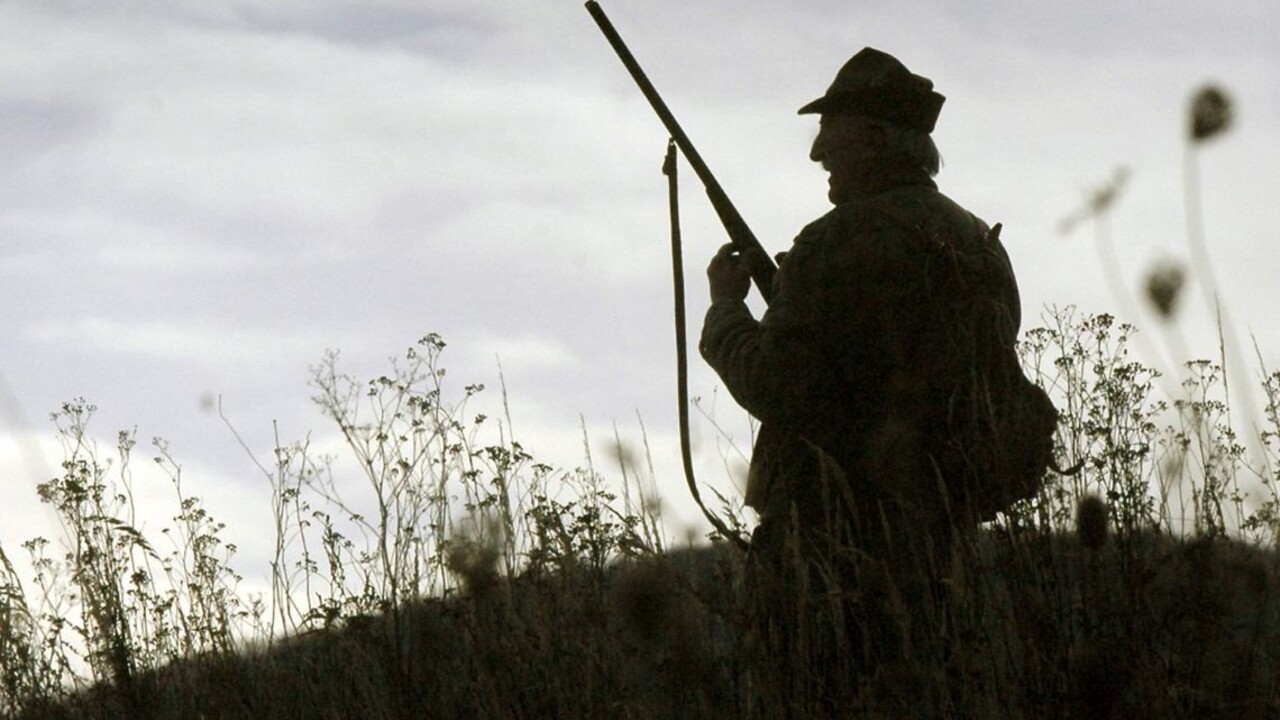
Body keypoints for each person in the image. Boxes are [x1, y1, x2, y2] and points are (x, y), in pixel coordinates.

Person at [699, 47, 1042, 714]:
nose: (817, 151)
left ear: (878, 140)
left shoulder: (838, 239)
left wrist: (726, 311)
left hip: (827, 551)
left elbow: (781, 386)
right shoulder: (978, 244)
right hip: (939, 551)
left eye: (834, 131)